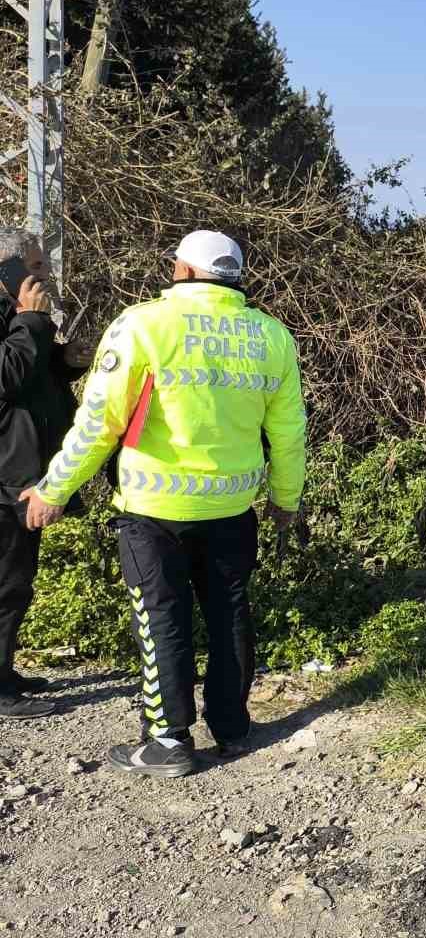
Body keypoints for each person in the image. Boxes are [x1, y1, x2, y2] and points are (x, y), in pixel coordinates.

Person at [21, 230, 306, 777]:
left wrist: (55, 488)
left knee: (162, 619)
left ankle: (169, 742)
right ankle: (234, 729)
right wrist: (285, 499)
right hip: (232, 505)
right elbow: (289, 431)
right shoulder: (272, 335)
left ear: (182, 272)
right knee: (229, 614)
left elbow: (99, 423)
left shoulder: (143, 324)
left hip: (155, 506)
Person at [0, 229, 93, 720]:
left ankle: (5, 669)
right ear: (8, 272)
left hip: (24, 473)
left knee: (17, 580)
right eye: (35, 267)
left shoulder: (19, 320)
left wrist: (65, 362)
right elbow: (7, 377)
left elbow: (33, 375)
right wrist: (32, 320)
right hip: (4, 476)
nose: (45, 276)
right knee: (4, 582)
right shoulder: (21, 318)